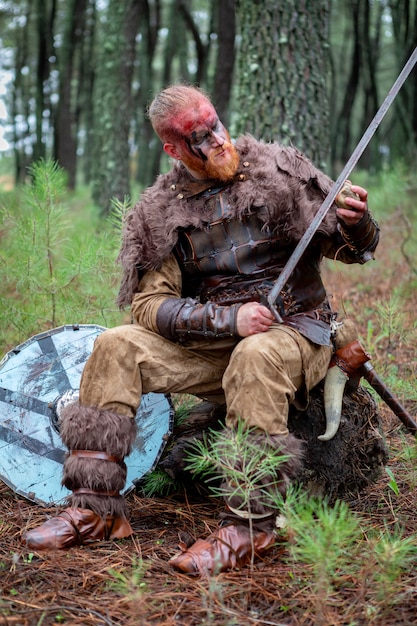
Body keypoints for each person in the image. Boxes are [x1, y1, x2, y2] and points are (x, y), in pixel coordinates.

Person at [22, 84, 379, 573]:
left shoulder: (279, 169)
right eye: (199, 136)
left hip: (299, 333)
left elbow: (350, 248)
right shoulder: (159, 211)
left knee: (256, 355)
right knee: (115, 345)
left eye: (216, 124)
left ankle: (247, 529)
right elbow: (149, 306)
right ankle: (96, 510)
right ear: (172, 149)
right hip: (215, 347)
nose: (217, 139)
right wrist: (228, 319)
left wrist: (356, 223)